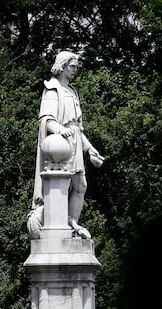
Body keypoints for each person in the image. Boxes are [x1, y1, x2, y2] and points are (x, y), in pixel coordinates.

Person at [28, 50, 104, 240]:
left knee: (81, 186)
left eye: (76, 67)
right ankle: (58, 224)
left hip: (75, 143)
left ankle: (71, 222)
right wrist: (60, 130)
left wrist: (89, 149)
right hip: (60, 147)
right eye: (72, 66)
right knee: (61, 186)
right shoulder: (52, 89)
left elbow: (78, 128)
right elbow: (47, 119)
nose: (75, 70)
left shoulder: (72, 92)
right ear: (61, 66)